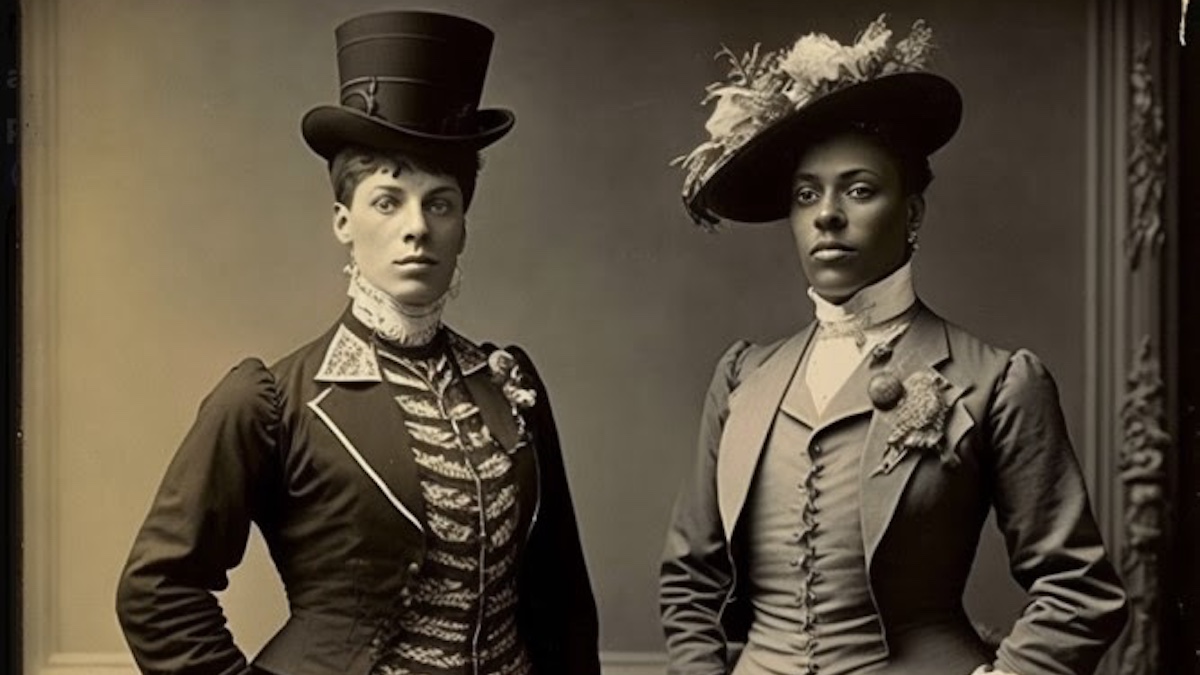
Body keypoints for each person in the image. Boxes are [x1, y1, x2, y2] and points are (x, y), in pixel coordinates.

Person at [115, 10, 600, 675]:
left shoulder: (507, 381)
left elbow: (561, 599)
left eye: (441, 202)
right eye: (387, 200)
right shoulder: (273, 401)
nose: (416, 229)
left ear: (463, 225)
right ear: (343, 221)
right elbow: (155, 590)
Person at [659, 15, 1127, 675]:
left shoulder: (995, 381)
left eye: (859, 189)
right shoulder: (743, 377)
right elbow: (689, 579)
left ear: (911, 213)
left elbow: (1081, 591)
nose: (827, 214)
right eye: (805, 194)